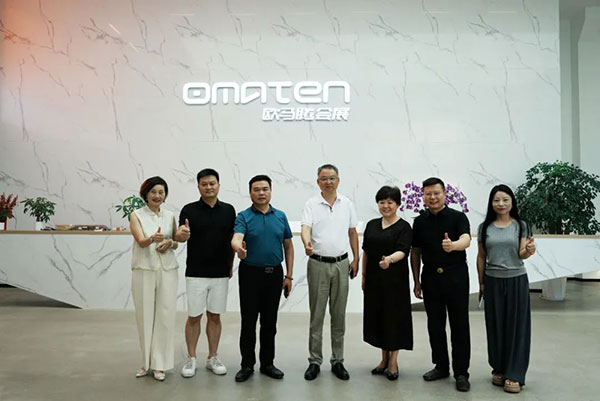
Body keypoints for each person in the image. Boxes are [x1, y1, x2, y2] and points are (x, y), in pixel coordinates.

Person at [410, 177, 472, 392]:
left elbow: (466, 239)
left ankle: (461, 372)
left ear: (445, 194)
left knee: (459, 325)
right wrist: (416, 280)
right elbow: (415, 252)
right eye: (428, 194)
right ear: (423, 196)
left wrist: (453, 245)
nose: (433, 197)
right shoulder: (420, 221)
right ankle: (441, 366)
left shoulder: (458, 217)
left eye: (436, 193)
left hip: (456, 277)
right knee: (435, 325)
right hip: (430, 278)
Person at [231, 175, 294, 382]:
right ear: (250, 193)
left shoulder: (280, 216)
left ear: (270, 191)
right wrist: (238, 248)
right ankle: (247, 365)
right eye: (256, 189)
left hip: (274, 274)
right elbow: (236, 238)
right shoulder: (243, 216)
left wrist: (289, 275)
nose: (261, 193)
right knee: (248, 322)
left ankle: (267, 363)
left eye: (265, 189)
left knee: (269, 322)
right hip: (250, 274)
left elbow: (288, 246)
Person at [175, 169, 236, 378]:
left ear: (218, 185)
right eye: (204, 184)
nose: (209, 187)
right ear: (198, 186)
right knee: (194, 316)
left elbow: (232, 240)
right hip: (196, 272)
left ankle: (212, 357)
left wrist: (230, 265)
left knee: (215, 316)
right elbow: (180, 236)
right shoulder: (189, 210)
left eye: (212, 183)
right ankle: (191, 358)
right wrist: (181, 235)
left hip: (220, 272)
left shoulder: (229, 210)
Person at [301, 164, 359, 381]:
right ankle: (314, 361)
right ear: (318, 182)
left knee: (339, 315)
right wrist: (307, 243)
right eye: (324, 178)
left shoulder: (347, 204)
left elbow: (352, 232)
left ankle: (338, 360)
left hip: (341, 264)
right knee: (316, 315)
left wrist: (356, 258)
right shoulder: (311, 204)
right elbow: (306, 228)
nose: (328, 182)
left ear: (338, 180)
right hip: (318, 264)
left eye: (332, 178)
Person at [477, 184, 535, 394]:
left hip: (516, 280)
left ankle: (515, 373)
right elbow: (481, 256)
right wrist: (481, 283)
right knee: (495, 326)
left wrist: (529, 250)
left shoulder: (521, 225)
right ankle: (499, 368)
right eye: (496, 200)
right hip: (492, 281)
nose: (501, 204)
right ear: (491, 203)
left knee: (517, 328)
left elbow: (521, 253)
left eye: (505, 200)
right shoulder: (484, 227)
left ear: (512, 202)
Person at [129, 176, 179, 382]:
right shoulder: (136, 215)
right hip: (144, 269)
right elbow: (141, 241)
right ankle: (145, 362)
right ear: (145, 194)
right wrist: (153, 239)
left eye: (161, 192)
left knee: (165, 316)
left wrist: (169, 243)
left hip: (167, 269)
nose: (157, 196)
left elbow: (175, 241)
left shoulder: (170, 215)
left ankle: (160, 364)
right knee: (145, 315)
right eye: (153, 192)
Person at [361, 186, 413, 381]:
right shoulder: (372, 225)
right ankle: (383, 359)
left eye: (390, 202)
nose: (386, 206)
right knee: (379, 318)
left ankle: (393, 361)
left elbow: (403, 251)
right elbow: (366, 251)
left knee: (394, 319)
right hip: (374, 280)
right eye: (382, 202)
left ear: (397, 204)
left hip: (395, 281)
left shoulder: (404, 227)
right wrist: (364, 275)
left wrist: (389, 260)